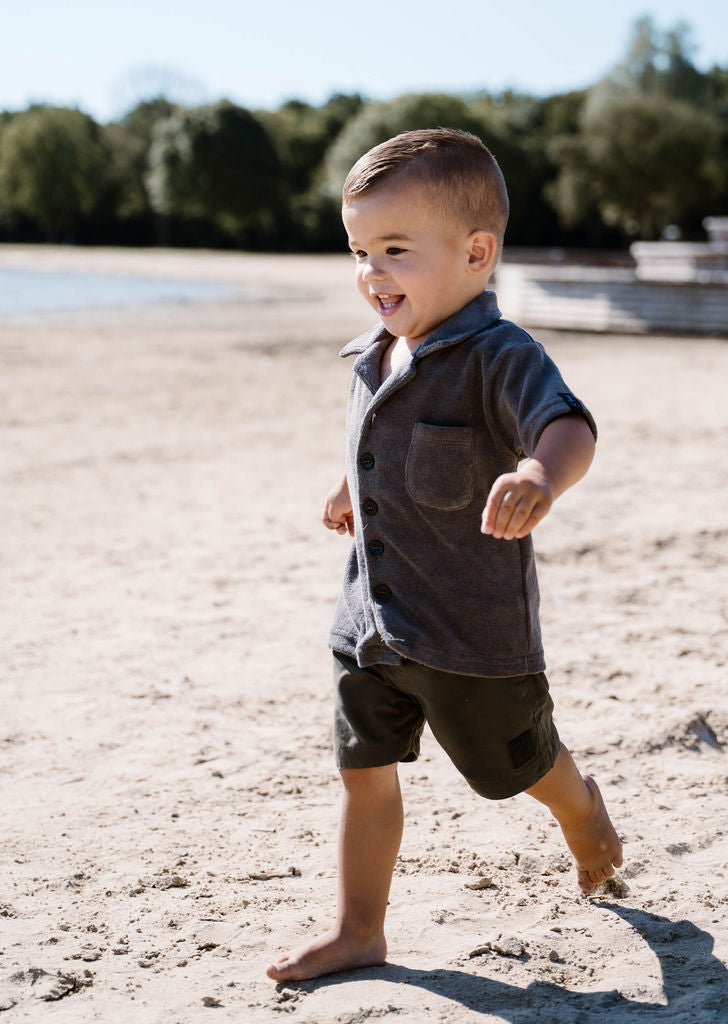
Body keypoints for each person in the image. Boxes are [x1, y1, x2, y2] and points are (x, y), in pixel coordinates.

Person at [267, 128, 622, 983]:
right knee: (363, 772)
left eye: (395, 250)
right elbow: (385, 437)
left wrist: (539, 473)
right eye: (359, 251)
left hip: (469, 631)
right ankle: (359, 930)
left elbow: (568, 426)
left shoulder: (502, 358)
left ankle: (582, 812)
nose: (372, 272)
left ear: (476, 252)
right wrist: (350, 485)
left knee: (516, 765)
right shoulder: (373, 353)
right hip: (370, 622)